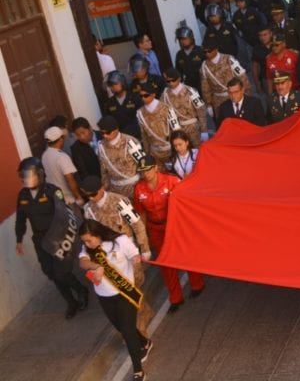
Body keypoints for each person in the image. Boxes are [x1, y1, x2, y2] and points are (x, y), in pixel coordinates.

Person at [78, 219, 151, 381]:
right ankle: (145, 342)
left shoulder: (120, 241)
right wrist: (95, 266)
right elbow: (82, 262)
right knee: (121, 327)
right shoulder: (88, 248)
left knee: (127, 331)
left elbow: (133, 254)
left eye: (89, 240)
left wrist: (135, 258)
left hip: (124, 294)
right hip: (104, 296)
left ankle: (138, 371)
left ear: (98, 235)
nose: (87, 244)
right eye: (84, 241)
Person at [79, 176, 154, 335]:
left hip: (127, 254)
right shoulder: (88, 210)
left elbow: (137, 224)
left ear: (101, 189)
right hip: (106, 259)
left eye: (93, 194)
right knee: (119, 294)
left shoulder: (120, 201)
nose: (91, 198)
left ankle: (139, 326)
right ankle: (136, 322)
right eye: (88, 196)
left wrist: (144, 247)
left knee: (133, 287)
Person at [15, 157, 88, 319]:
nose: (25, 179)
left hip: (58, 238)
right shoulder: (23, 195)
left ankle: (81, 290)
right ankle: (71, 302)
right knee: (51, 273)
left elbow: (63, 215)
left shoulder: (52, 191)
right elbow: (20, 218)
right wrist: (19, 239)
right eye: (23, 176)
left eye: (28, 175)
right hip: (40, 241)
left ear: (39, 174)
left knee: (61, 273)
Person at [133, 155, 205, 311]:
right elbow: (142, 214)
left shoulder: (172, 181)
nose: (146, 174)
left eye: (148, 170)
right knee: (165, 263)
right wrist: (145, 239)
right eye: (142, 171)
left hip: (175, 225)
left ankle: (197, 284)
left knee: (185, 255)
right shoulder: (139, 188)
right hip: (155, 229)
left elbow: (185, 202)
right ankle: (176, 298)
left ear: (155, 168)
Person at [200, 36, 251, 122]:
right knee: (224, 124)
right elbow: (205, 87)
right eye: (205, 52)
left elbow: (242, 76)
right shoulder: (204, 66)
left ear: (216, 49)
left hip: (236, 95)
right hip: (219, 101)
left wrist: (247, 94)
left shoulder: (229, 59)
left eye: (209, 51)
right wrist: (208, 104)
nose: (207, 54)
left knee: (243, 120)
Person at [97, 116, 144, 200]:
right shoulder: (101, 147)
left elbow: (143, 164)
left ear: (116, 129)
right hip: (115, 191)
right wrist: (105, 188)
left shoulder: (130, 142)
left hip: (134, 187)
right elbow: (104, 171)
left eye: (108, 132)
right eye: (102, 133)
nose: (105, 136)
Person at [161, 67, 208, 147]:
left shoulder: (191, 91)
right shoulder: (165, 94)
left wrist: (204, 130)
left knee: (198, 151)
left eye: (173, 80)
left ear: (179, 79)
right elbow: (163, 113)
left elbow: (201, 111)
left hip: (194, 129)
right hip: (177, 130)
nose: (171, 83)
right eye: (168, 81)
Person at [136, 82, 175, 167]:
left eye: (146, 95)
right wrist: (147, 153)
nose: (143, 98)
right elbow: (144, 136)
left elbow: (175, 129)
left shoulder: (166, 108)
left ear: (153, 94)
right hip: (154, 153)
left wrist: (176, 149)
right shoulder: (140, 113)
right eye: (141, 96)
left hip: (170, 149)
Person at [41, 126, 83, 205]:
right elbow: (70, 179)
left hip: (56, 199)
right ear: (60, 139)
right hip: (69, 200)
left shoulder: (44, 155)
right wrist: (78, 196)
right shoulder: (62, 157)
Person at [174, 26, 205, 93]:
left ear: (191, 38)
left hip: (203, 85)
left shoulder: (201, 51)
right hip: (190, 88)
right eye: (180, 39)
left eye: (185, 39)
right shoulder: (179, 55)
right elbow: (178, 73)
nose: (182, 41)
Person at [71, 117, 102, 182]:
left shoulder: (103, 135)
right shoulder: (76, 148)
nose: (81, 137)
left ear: (90, 128)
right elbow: (83, 171)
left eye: (83, 133)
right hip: (97, 182)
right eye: (78, 135)